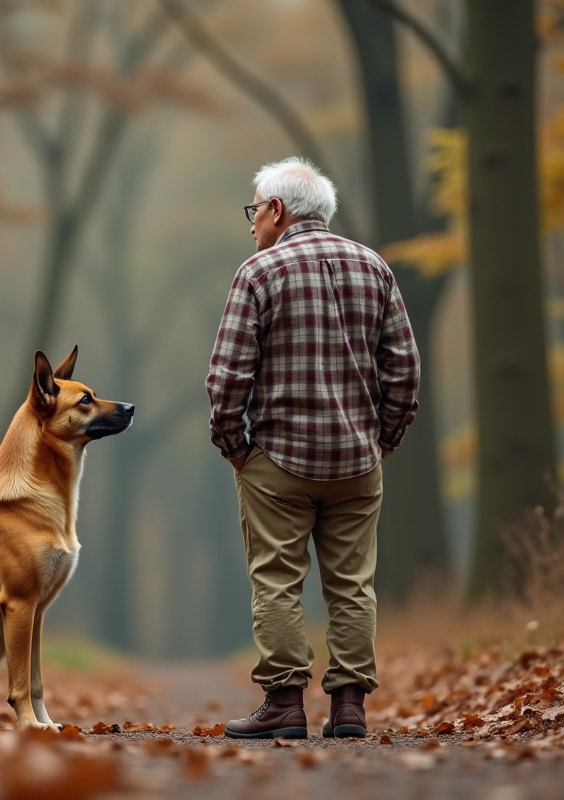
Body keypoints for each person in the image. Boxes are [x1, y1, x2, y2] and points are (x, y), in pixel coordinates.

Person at [206, 157, 420, 739]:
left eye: (255, 211)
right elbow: (404, 370)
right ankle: (349, 707)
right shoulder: (375, 268)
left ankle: (283, 704)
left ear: (277, 210)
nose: (252, 225)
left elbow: (226, 377)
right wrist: (384, 440)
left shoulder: (258, 273)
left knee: (276, 579)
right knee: (352, 583)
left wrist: (233, 445)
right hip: (357, 460)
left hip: (276, 459)